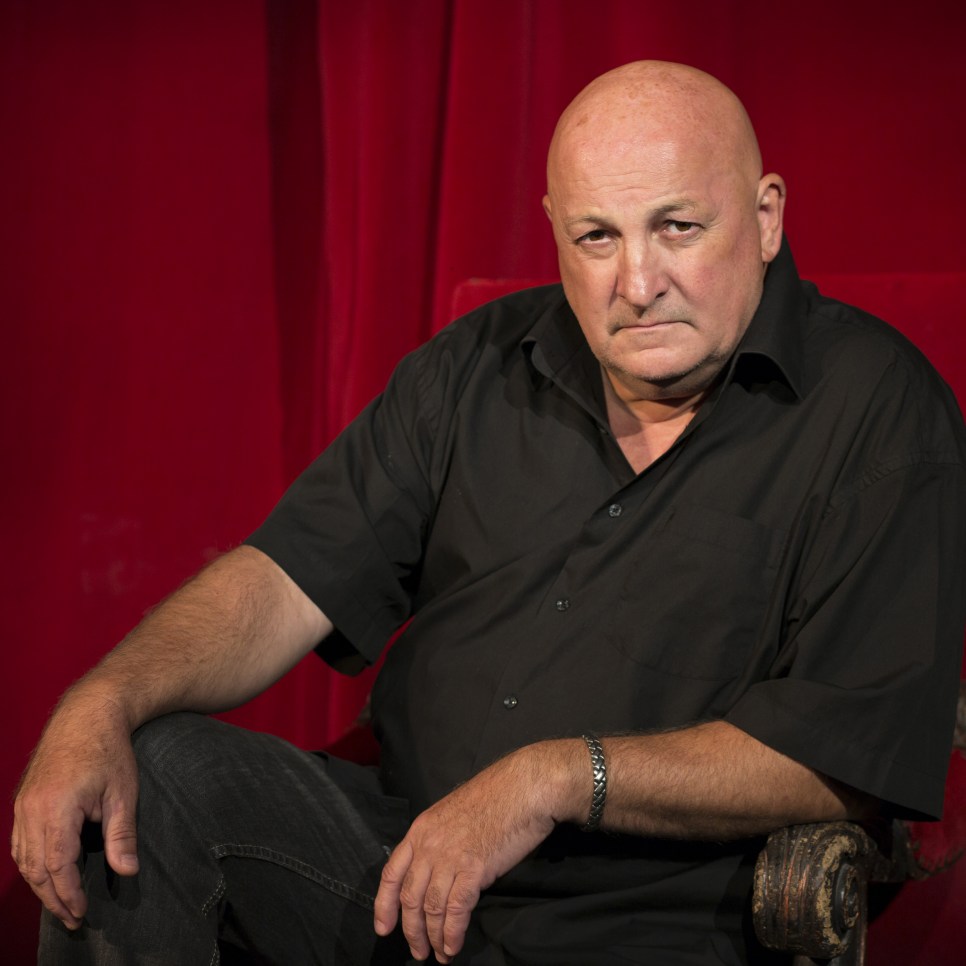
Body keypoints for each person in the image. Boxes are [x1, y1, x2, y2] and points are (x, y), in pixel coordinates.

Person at [12, 60, 966, 966]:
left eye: (677, 228)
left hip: (639, 917)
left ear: (765, 219)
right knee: (151, 775)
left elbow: (844, 756)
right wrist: (103, 700)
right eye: (597, 238)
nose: (637, 284)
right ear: (553, 231)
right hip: (401, 866)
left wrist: (555, 778)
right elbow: (282, 578)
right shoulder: (476, 365)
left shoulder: (879, 412)